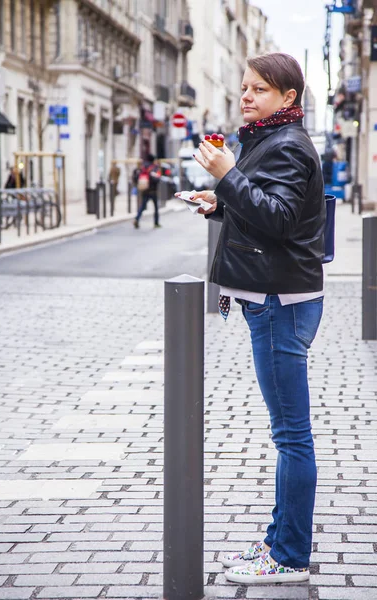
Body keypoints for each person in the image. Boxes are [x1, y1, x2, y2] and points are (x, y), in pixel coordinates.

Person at [186, 53, 325, 585]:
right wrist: (218, 201)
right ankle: (279, 541)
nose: (246, 96)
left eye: (260, 89)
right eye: (245, 87)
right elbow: (264, 207)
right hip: (273, 297)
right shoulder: (268, 138)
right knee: (288, 432)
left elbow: (283, 219)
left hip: (278, 301)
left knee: (292, 436)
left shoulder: (287, 145)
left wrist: (225, 176)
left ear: (288, 98)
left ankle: (288, 556)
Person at [133, 154, 161, 229]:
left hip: (145, 189)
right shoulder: (154, 167)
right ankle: (156, 223)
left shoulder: (142, 167)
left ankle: (137, 218)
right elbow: (157, 179)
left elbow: (136, 177)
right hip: (153, 190)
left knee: (142, 206)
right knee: (155, 207)